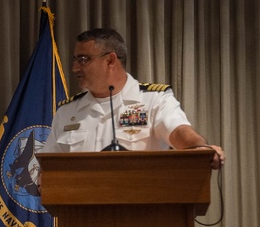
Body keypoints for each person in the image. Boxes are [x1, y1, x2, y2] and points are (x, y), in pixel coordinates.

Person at [43, 28, 225, 169]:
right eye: (75, 59)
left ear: (110, 61)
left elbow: (178, 132)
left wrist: (198, 148)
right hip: (80, 214)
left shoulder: (154, 100)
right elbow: (47, 168)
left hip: (143, 212)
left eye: (83, 59)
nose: (75, 68)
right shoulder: (67, 112)